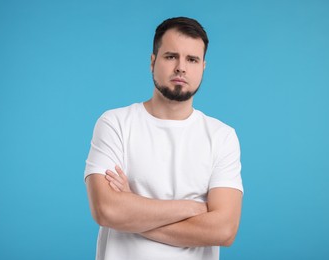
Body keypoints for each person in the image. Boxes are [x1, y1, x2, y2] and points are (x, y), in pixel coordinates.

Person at [84, 17, 243, 260]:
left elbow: (224, 229)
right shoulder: (115, 123)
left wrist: (133, 206)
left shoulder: (222, 136)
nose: (181, 67)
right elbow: (107, 210)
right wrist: (194, 209)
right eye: (171, 56)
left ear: (203, 67)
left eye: (192, 59)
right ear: (152, 62)